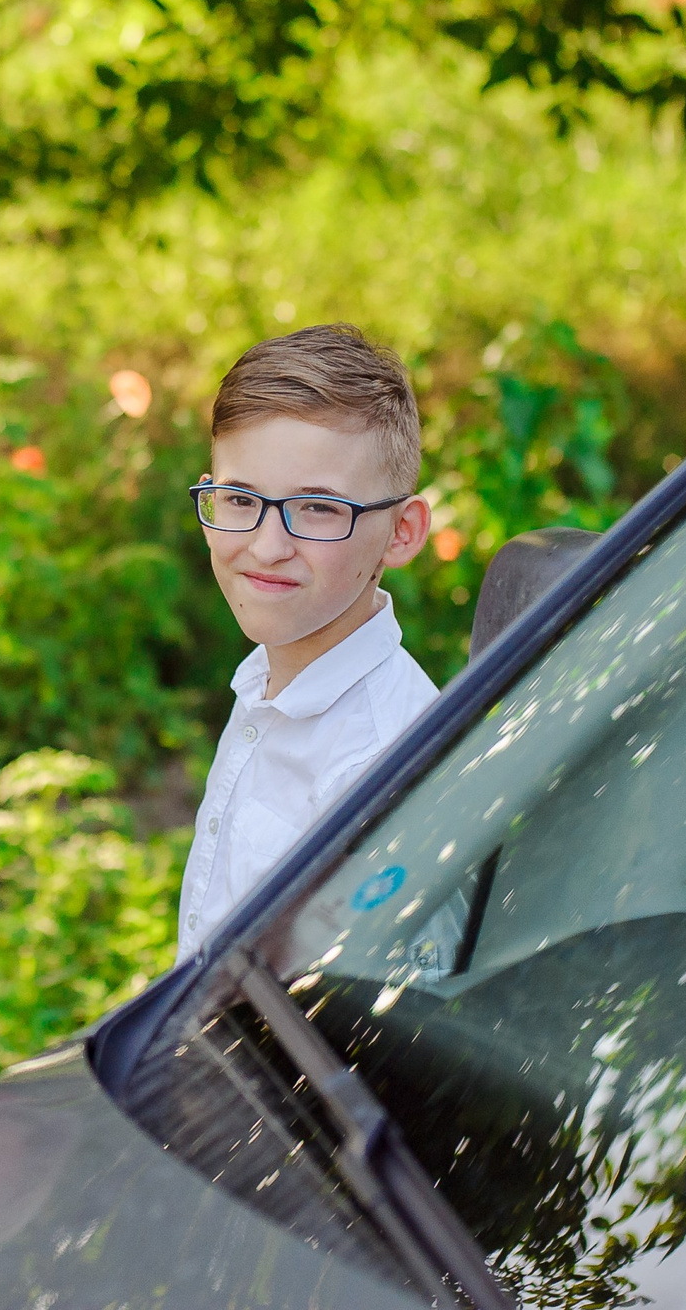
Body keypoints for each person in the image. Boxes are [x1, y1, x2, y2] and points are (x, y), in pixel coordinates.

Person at [177, 324, 437, 958]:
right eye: (239, 498)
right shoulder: (269, 675)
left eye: (319, 508)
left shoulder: (374, 767)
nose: (266, 546)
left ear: (401, 532)